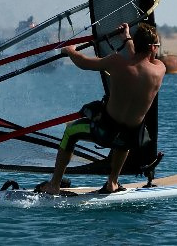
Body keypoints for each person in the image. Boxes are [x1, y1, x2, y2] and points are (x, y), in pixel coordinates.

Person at [36, 21, 165, 195]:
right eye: (157, 45)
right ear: (152, 48)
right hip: (131, 137)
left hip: (104, 131)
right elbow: (140, 60)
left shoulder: (117, 62)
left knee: (70, 131)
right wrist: (127, 38)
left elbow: (84, 63)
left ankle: (54, 184)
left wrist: (70, 51)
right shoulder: (159, 70)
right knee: (126, 135)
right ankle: (112, 182)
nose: (158, 49)